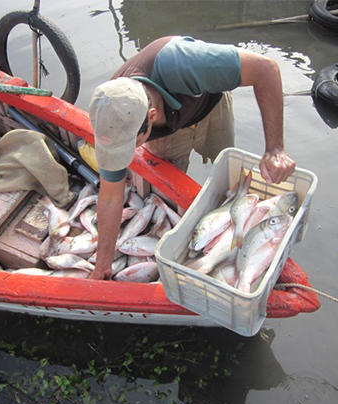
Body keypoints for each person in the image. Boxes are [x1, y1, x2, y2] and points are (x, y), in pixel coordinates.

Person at [88, 35, 295, 280]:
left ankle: (229, 211)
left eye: (133, 144)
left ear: (152, 116)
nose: (129, 153)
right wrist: (103, 263)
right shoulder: (111, 114)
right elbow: (111, 196)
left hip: (205, 102)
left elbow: (266, 69)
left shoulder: (184, 64)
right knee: (169, 181)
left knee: (227, 174)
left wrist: (275, 149)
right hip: (170, 125)